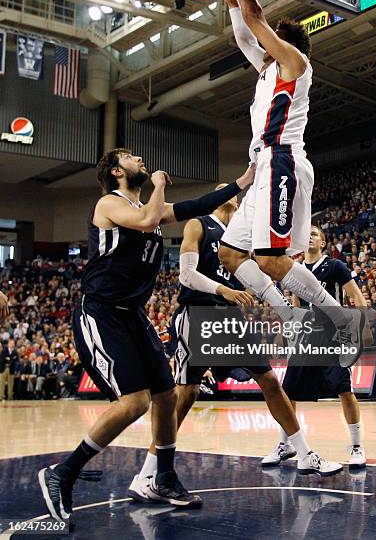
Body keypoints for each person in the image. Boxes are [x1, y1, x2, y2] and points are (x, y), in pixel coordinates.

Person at [38, 148, 255, 522]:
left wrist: (241, 183)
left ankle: (162, 478)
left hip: (132, 315)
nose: (139, 159)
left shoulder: (149, 210)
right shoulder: (110, 203)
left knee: (167, 395)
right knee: (135, 402)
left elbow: (194, 205)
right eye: (130, 157)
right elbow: (146, 217)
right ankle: (63, 474)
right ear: (116, 171)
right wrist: (155, 184)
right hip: (101, 311)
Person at [128, 191, 342, 502]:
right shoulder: (198, 225)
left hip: (230, 318)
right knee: (186, 393)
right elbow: (186, 275)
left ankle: (306, 453)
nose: (237, 198)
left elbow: (264, 276)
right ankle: (148, 473)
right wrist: (225, 290)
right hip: (199, 313)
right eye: (231, 192)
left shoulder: (242, 239)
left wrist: (285, 308)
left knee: (269, 379)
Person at [214, 0, 364, 368]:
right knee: (230, 253)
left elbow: (254, 19)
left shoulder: (296, 65)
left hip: (284, 162)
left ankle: (339, 316)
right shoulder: (266, 72)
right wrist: (231, 2)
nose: (262, 44)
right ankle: (292, 318)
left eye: (271, 40)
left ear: (285, 44)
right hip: (263, 166)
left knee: (269, 259)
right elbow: (246, 35)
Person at [262, 226, 372, 469]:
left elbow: (355, 295)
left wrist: (365, 326)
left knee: (344, 389)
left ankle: (356, 445)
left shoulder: (335, 266)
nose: (310, 236)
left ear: (322, 242)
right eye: (307, 233)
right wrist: (285, 331)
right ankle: (286, 444)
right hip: (306, 336)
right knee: (287, 391)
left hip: (333, 335)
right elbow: (294, 306)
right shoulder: (294, 267)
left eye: (315, 234)